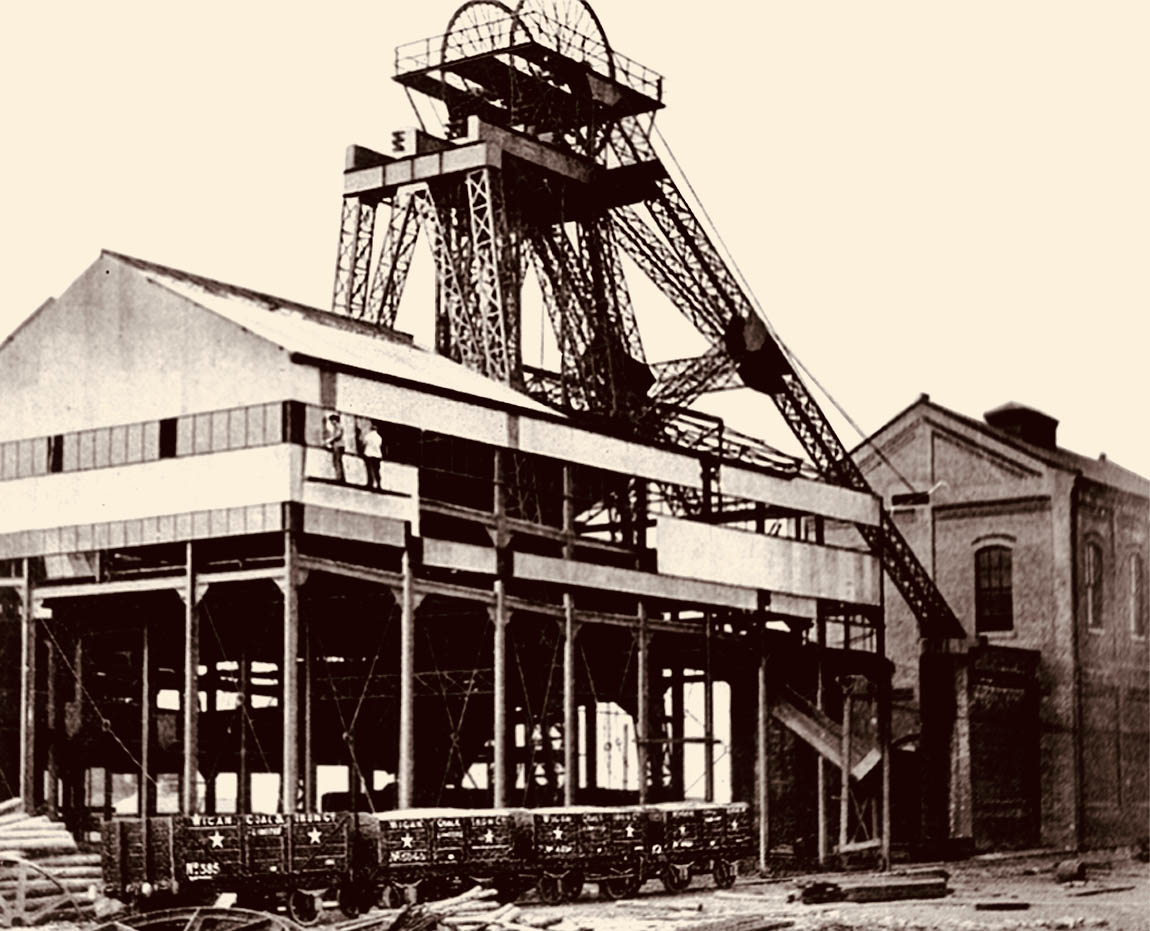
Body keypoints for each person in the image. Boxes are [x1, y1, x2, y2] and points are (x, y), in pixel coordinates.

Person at [323, 413, 345, 483]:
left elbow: (337, 436)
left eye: (332, 421)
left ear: (335, 420)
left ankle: (339, 478)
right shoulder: (337, 427)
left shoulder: (338, 426)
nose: (331, 422)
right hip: (338, 445)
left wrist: (329, 440)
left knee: (337, 461)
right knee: (338, 461)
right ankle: (340, 477)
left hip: (338, 445)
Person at [362, 421, 383, 491]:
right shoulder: (379, 437)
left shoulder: (368, 436)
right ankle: (379, 485)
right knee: (377, 470)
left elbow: (364, 443)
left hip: (369, 454)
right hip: (377, 455)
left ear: (371, 429)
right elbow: (380, 445)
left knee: (369, 470)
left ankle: (370, 484)